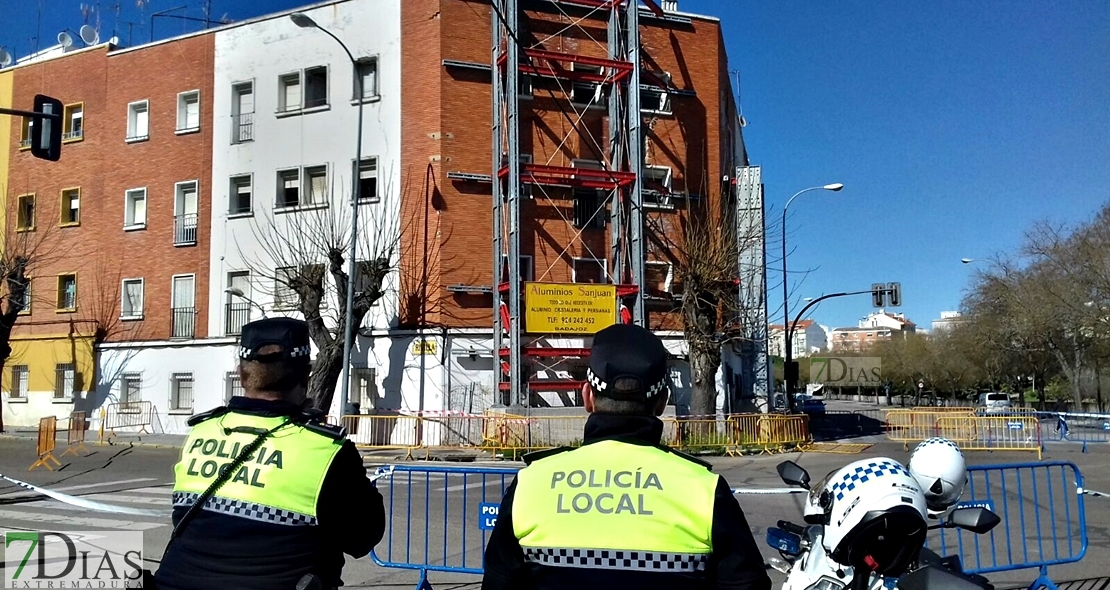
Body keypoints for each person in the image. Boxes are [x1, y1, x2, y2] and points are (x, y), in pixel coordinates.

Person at [481, 323, 772, 590]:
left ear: (587, 397)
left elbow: (498, 584)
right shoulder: (703, 489)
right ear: (662, 402)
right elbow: (746, 584)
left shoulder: (532, 483)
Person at [156, 317, 386, 590]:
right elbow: (363, 537)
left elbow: (184, 518)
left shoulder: (201, 433)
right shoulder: (324, 450)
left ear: (242, 375)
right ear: (306, 376)